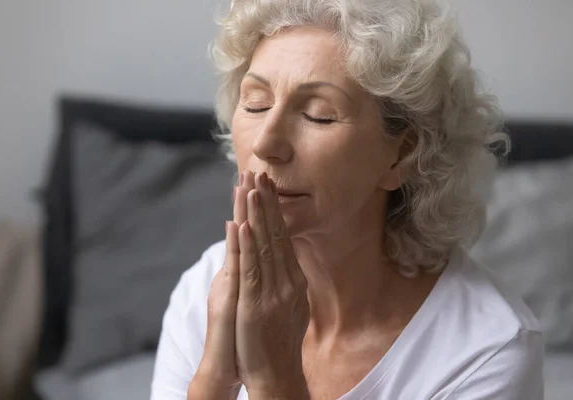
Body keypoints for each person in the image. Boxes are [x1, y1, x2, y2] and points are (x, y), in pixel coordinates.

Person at [151, 0, 544, 399]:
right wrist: (216, 379)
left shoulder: (486, 353)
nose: (266, 143)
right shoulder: (204, 288)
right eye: (256, 103)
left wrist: (274, 381)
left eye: (319, 115)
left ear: (402, 156)